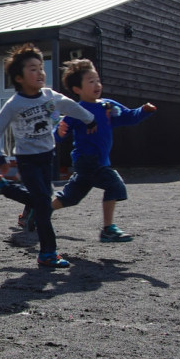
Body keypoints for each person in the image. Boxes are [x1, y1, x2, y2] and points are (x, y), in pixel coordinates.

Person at [0, 43, 97, 268]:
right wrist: (0, 157)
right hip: (27, 160)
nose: (40, 73)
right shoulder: (14, 104)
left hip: (48, 156)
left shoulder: (49, 96)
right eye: (32, 69)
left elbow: (70, 105)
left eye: (41, 67)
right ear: (19, 78)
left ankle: (3, 187)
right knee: (44, 204)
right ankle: (48, 253)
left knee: (42, 200)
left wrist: (89, 118)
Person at [50, 59, 156, 242]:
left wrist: (144, 110)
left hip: (97, 161)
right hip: (87, 161)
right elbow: (58, 134)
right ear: (77, 89)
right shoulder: (76, 110)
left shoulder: (107, 106)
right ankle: (108, 229)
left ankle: (39, 211)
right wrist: (58, 132)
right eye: (90, 81)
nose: (97, 85)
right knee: (114, 184)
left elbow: (129, 117)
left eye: (97, 80)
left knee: (71, 197)